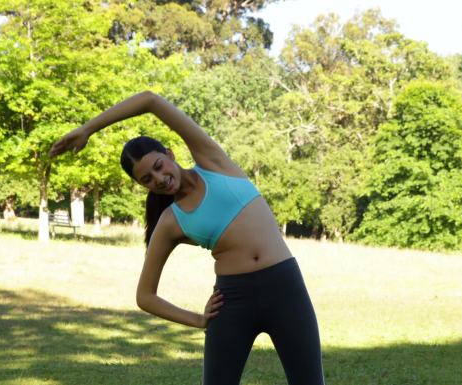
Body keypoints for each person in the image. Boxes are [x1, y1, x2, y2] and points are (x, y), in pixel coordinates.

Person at [49, 91, 325, 385]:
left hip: (285, 288)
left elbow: (149, 101)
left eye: (158, 166)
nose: (158, 179)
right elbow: (145, 296)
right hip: (232, 301)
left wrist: (88, 128)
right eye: (147, 180)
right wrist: (198, 320)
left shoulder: (212, 162)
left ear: (169, 154)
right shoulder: (170, 222)